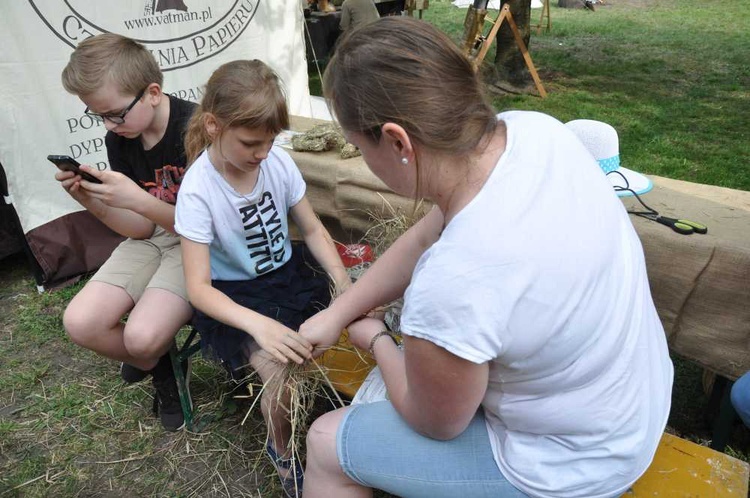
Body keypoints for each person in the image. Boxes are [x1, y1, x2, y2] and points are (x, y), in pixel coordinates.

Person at [299, 17, 674, 498]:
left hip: (575, 463)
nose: (362, 158)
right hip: (632, 401)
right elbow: (423, 238)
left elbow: (435, 422)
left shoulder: (455, 280)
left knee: (327, 441)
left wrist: (374, 339)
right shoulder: (536, 132)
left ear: (397, 141)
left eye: (358, 146)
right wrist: (340, 311)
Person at [174, 59, 351, 498]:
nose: (263, 153)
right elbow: (198, 287)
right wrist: (258, 324)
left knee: (355, 324)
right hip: (236, 296)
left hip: (287, 273)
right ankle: (282, 448)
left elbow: (311, 229)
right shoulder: (198, 191)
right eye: (252, 142)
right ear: (213, 125)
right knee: (280, 373)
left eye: (271, 141)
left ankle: (349, 417)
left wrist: (344, 283)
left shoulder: (278, 163)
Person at [57, 34, 197, 432]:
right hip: (154, 236)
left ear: (153, 92)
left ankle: (152, 357)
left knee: (140, 337)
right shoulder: (122, 136)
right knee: (81, 323)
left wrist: (137, 200)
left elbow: (205, 227)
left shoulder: (197, 130)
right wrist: (92, 200)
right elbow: (139, 229)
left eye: (115, 114)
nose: (107, 126)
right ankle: (159, 363)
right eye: (97, 115)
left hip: (200, 244)